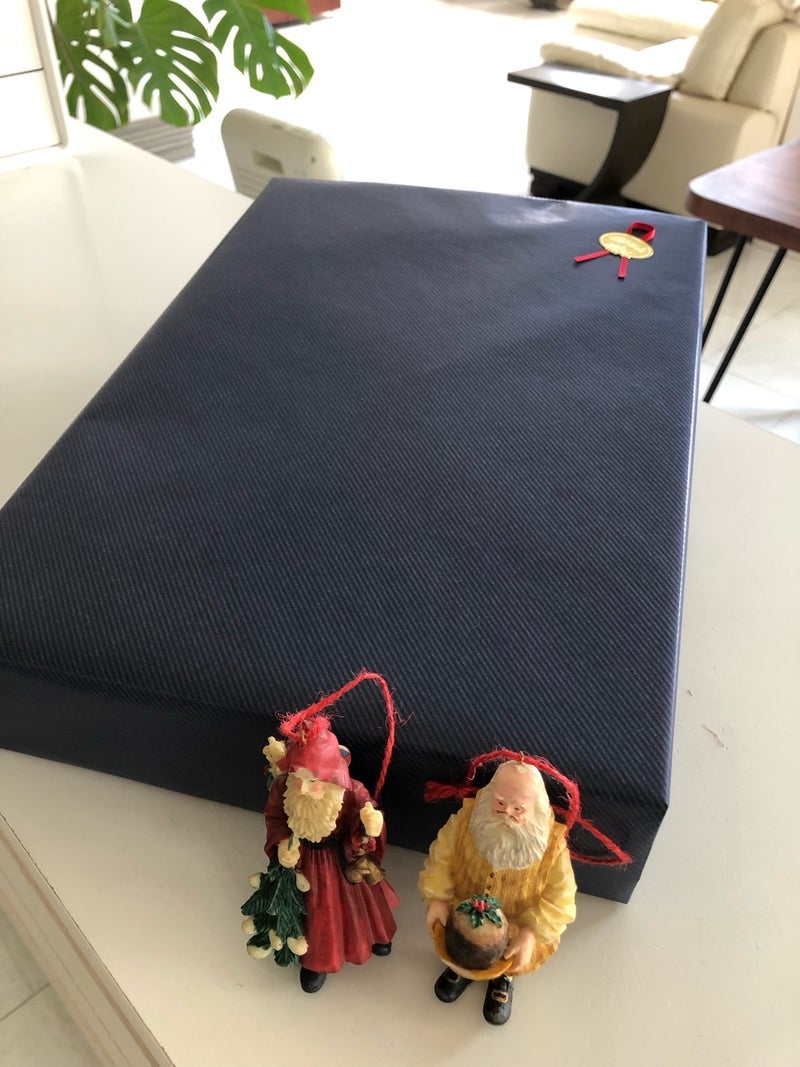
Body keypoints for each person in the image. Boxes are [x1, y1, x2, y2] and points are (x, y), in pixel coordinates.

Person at [418, 759, 577, 1025]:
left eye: (518, 808)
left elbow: (561, 898)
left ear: (535, 807)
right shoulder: (467, 820)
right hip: (463, 914)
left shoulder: (552, 846)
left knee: (511, 957)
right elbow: (441, 858)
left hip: (515, 926)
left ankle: (504, 978)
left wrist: (531, 932)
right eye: (500, 803)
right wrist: (438, 897)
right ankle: (462, 968)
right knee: (460, 943)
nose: (507, 813)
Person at [257, 716, 399, 993]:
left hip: (340, 860)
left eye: (313, 780)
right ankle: (318, 961)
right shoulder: (283, 788)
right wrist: (282, 844)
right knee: (317, 914)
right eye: (298, 777)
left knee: (360, 908)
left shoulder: (351, 793)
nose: (304, 789)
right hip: (304, 862)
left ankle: (374, 935)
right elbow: (275, 818)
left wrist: (369, 826)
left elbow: (367, 823)